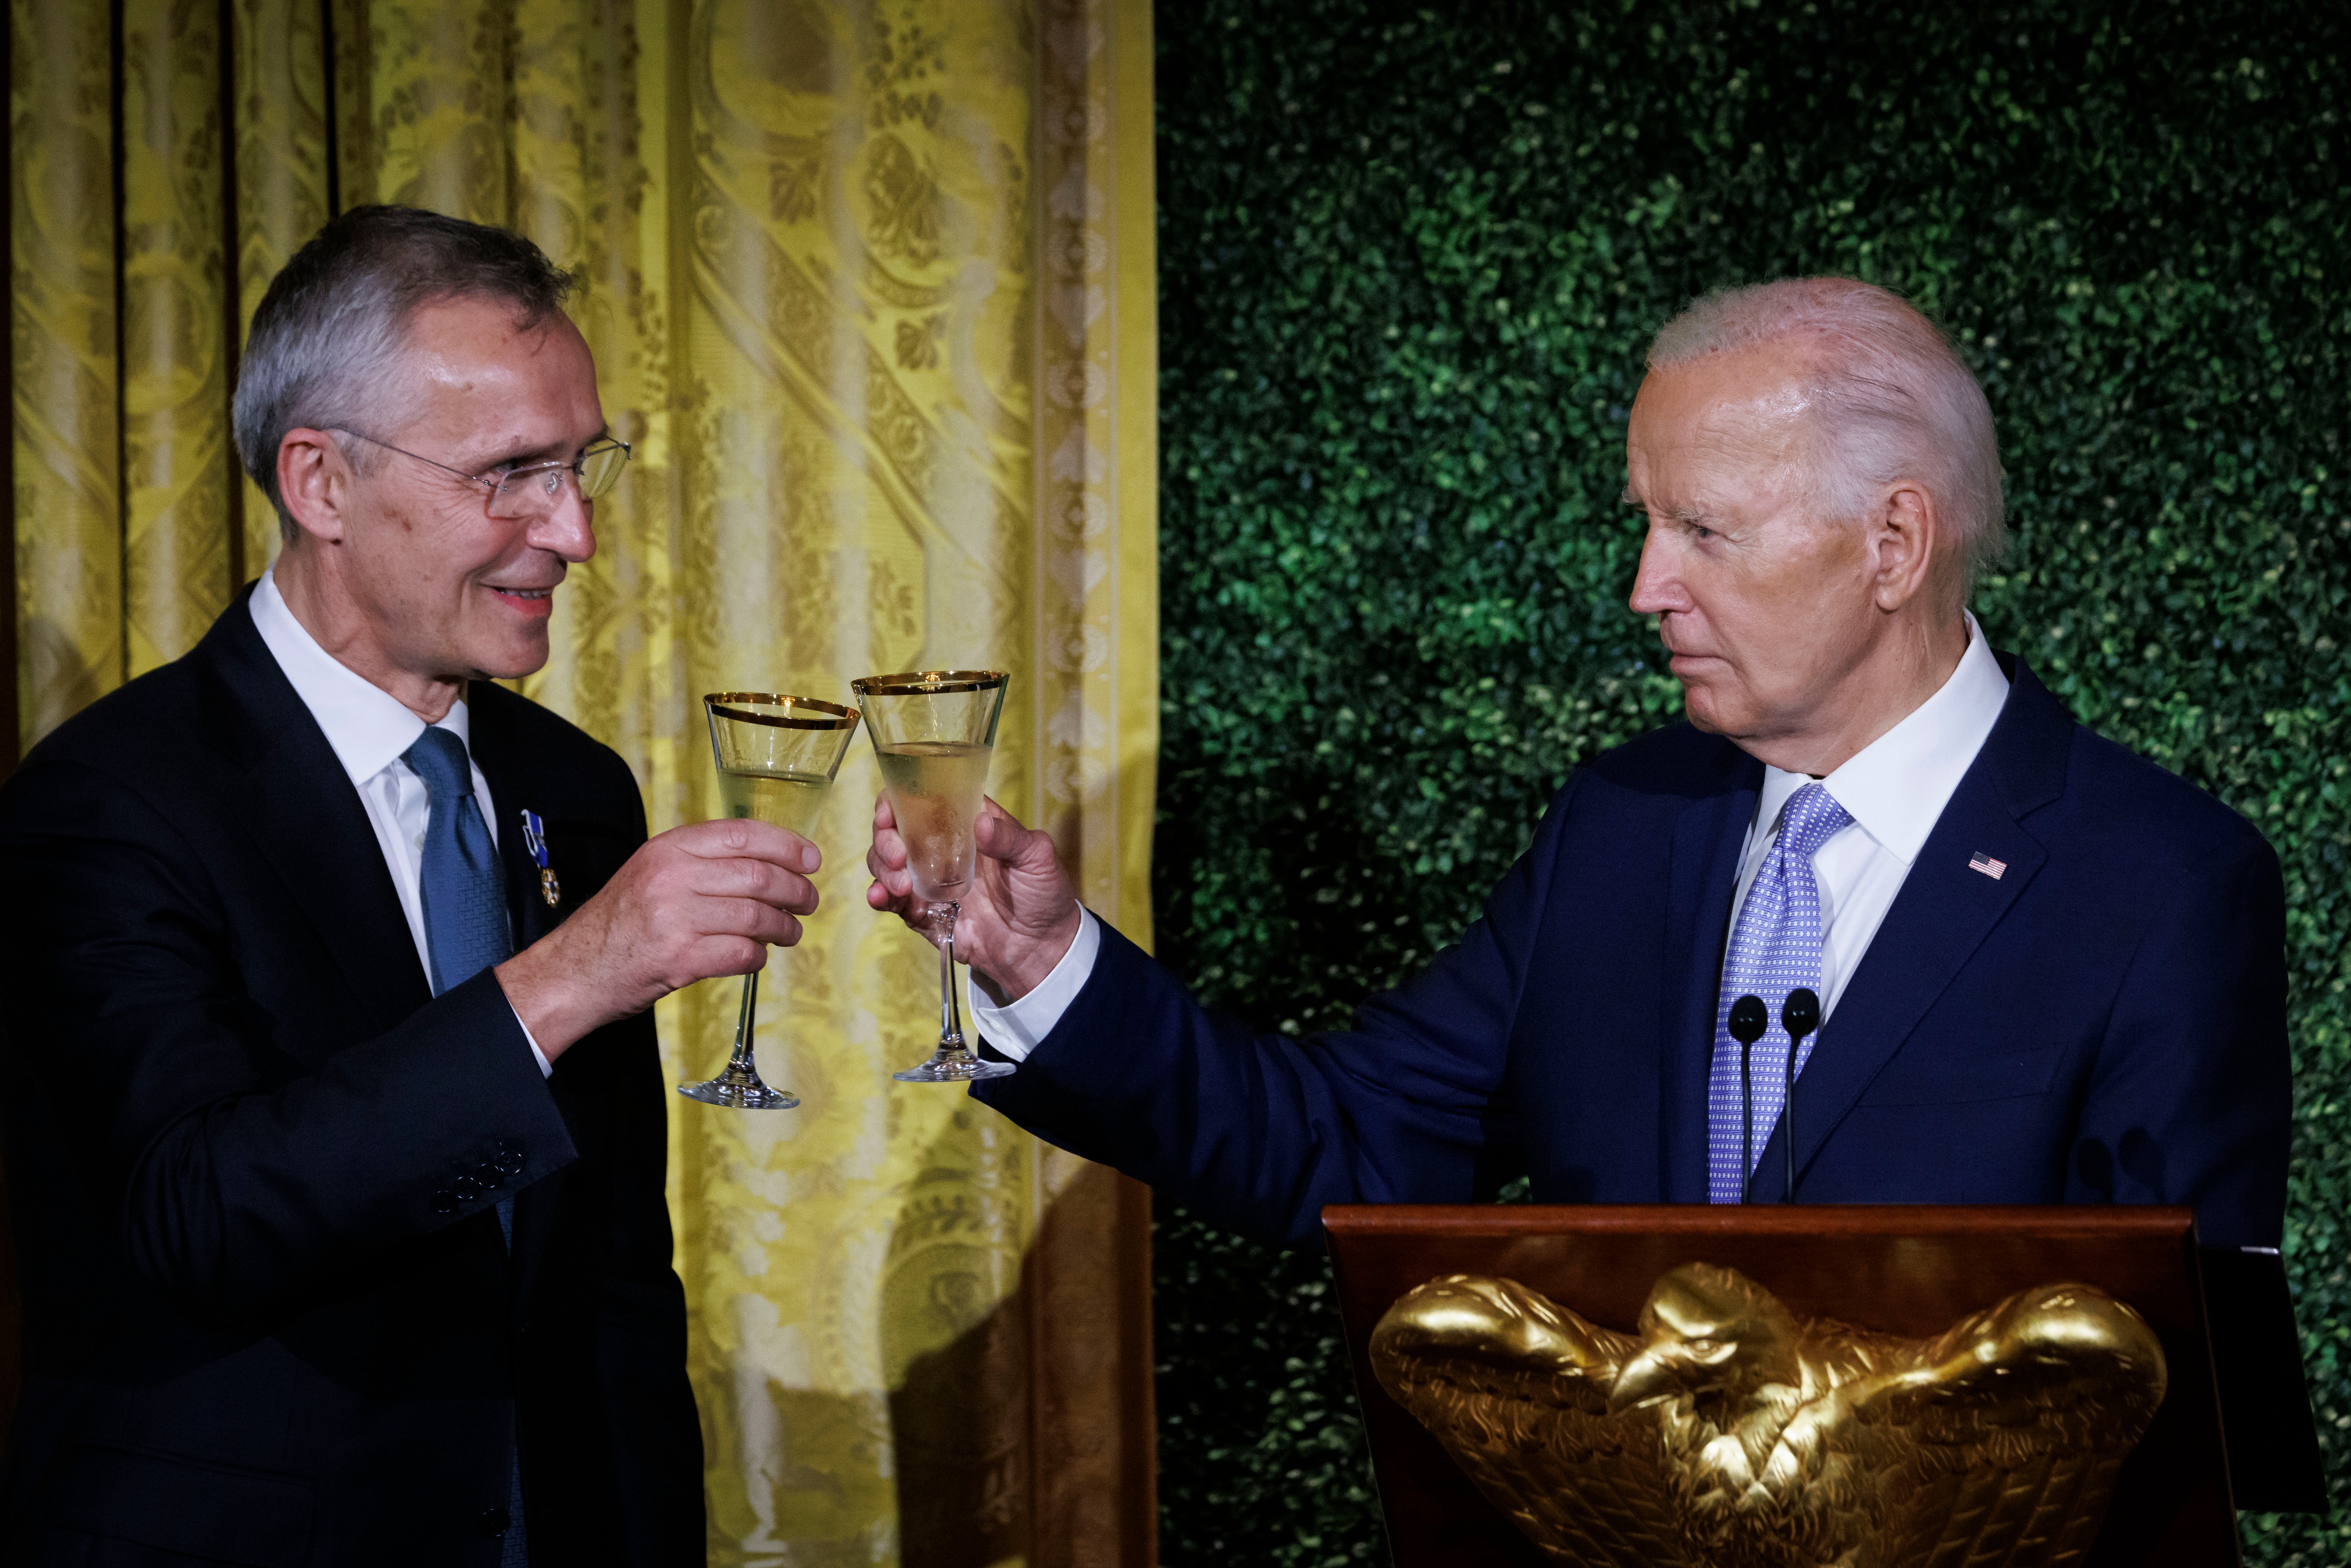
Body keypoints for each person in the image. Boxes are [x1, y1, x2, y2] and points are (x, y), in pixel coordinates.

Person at [866, 277, 2289, 1250]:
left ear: (1893, 546)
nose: (1644, 587)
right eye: (1644, 524)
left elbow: (2163, 1385)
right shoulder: (1624, 827)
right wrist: (1045, 966)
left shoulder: (2155, 883)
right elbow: (1349, 1143)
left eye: (1704, 532)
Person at [0, 208, 815, 1564]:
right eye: (513, 473)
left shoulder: (574, 788)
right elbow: (200, 1213)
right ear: (319, 483)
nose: (577, 533)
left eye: (582, 464)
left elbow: (611, 1280)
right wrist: (567, 980)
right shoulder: (108, 802)